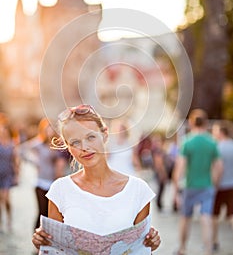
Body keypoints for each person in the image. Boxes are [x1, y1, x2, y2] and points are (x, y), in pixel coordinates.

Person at [32, 104, 161, 253]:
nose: (84, 147)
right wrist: (42, 241)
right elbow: (55, 250)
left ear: (105, 134)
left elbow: (140, 250)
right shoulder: (59, 190)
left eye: (90, 137)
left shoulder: (138, 190)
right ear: (68, 147)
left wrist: (150, 243)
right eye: (75, 142)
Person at [173, 109, 223, 255]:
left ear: (191, 123)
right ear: (206, 123)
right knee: (206, 217)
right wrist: (214, 183)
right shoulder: (212, 142)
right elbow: (219, 167)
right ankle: (208, 250)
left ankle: (182, 248)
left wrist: (176, 191)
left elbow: (179, 168)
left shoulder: (187, 141)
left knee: (185, 218)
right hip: (207, 185)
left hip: (190, 186)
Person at [20, 118, 68, 229]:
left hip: (53, 182)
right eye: (47, 129)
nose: (49, 131)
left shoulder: (58, 145)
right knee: (41, 211)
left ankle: (48, 236)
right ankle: (37, 234)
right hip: (41, 182)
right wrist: (35, 162)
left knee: (50, 213)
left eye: (51, 129)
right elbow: (21, 150)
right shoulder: (39, 143)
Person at [211, 121, 233, 252]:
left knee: (214, 215)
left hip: (219, 186)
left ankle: (215, 241)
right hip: (232, 186)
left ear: (220, 132)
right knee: (231, 214)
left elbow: (217, 169)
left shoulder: (217, 147)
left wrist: (215, 184)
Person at [0, 113, 20, 232]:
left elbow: (15, 160)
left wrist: (17, 175)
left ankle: (9, 219)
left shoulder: (12, 144)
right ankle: (2, 222)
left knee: (5, 198)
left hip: (8, 173)